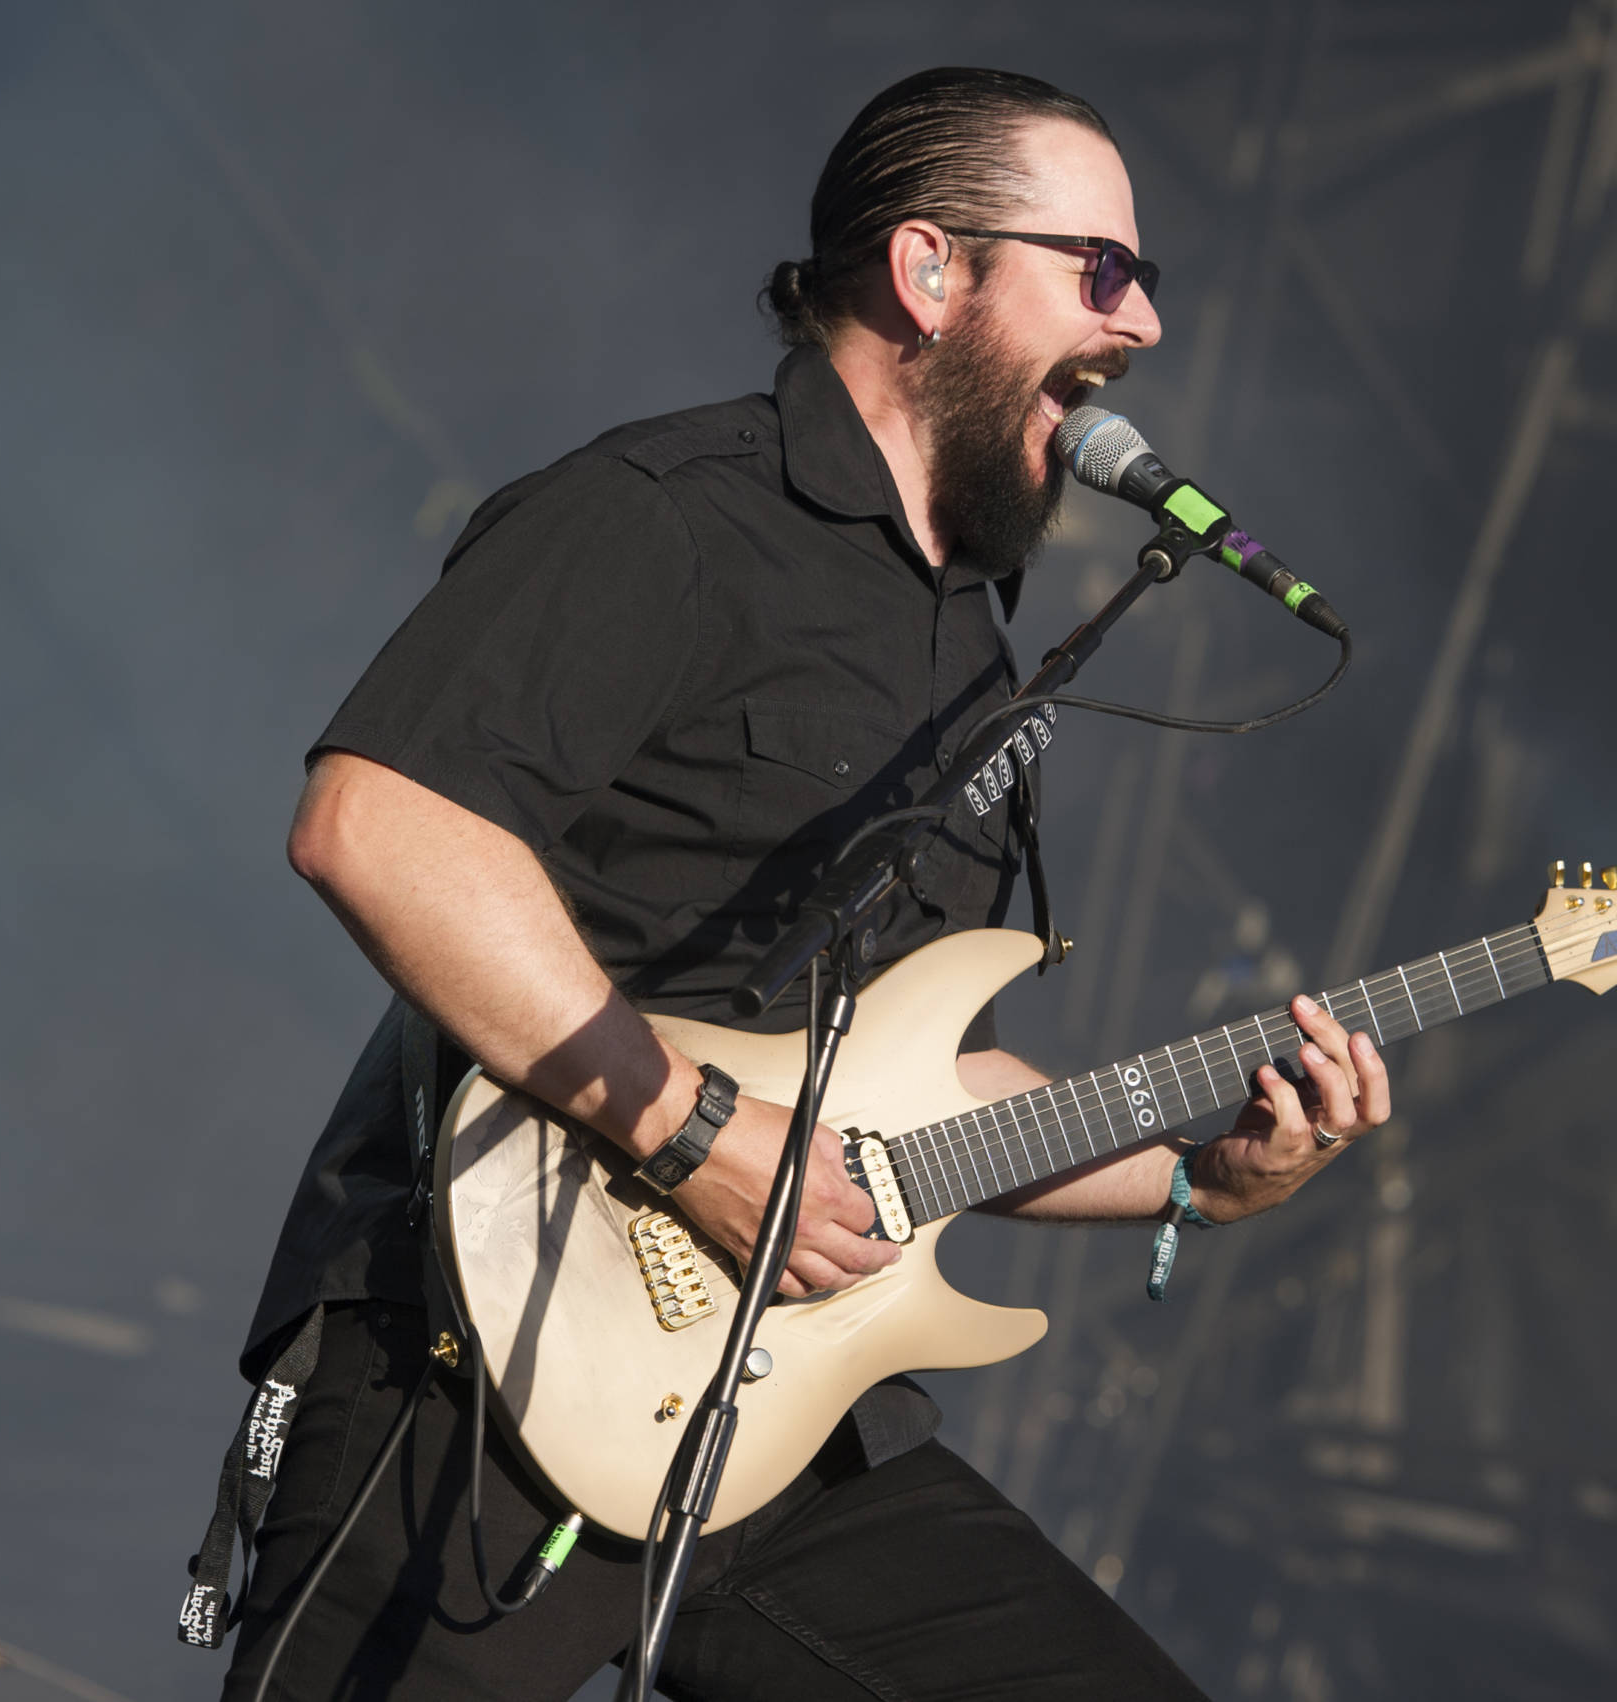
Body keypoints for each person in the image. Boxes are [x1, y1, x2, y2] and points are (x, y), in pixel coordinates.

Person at [217, 66, 1391, 1702]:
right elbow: (378, 823)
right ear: (930, 271)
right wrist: (691, 1131)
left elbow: (929, 1084)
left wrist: (1194, 1178)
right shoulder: (667, 515)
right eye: (1103, 270)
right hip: (479, 1356)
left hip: (787, 1406)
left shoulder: (970, 642)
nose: (1142, 322)